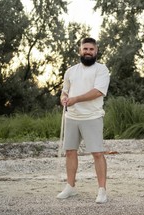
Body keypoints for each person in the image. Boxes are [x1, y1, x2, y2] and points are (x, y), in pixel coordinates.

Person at [57, 37, 110, 204]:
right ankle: (70, 187)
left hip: (92, 117)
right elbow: (64, 92)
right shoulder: (70, 71)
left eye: (91, 49)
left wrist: (75, 99)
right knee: (70, 152)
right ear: (80, 50)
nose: (88, 52)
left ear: (96, 51)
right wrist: (64, 99)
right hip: (71, 117)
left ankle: (102, 190)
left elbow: (97, 92)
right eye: (85, 49)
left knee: (97, 153)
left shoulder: (101, 70)